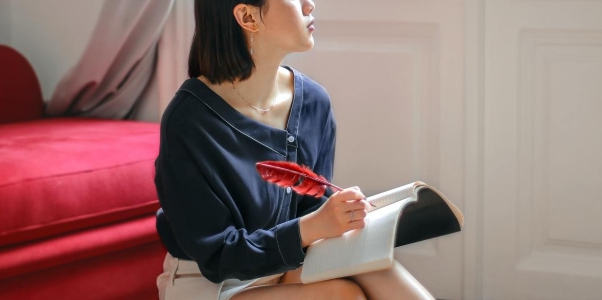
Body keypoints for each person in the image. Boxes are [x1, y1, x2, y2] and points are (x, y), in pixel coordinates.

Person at [154, 1, 435, 299]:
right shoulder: (189, 121)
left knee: (372, 265)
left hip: (281, 263)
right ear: (248, 16)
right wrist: (312, 227)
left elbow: (312, 209)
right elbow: (218, 256)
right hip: (212, 282)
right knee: (341, 295)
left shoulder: (313, 102)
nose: (309, 4)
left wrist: (344, 217)